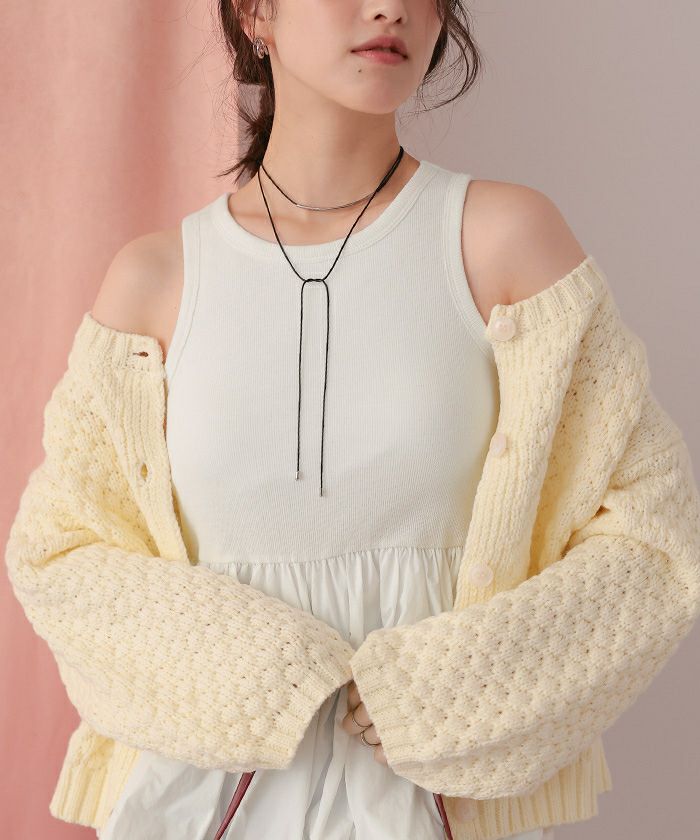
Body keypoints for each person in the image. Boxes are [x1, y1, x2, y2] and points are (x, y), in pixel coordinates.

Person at [6, 2, 700, 840]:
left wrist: (452, 690)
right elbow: (59, 551)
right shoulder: (154, 279)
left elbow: (656, 532)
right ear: (255, 12)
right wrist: (255, 672)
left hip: (430, 798)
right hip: (201, 800)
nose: (390, 7)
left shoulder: (505, 240)